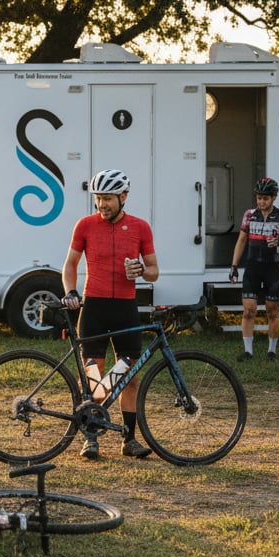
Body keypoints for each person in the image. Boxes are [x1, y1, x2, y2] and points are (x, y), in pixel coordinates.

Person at [60, 169, 157, 461]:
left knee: (130, 377)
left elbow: (154, 271)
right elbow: (70, 264)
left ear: (123, 197)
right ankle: (91, 438)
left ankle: (129, 440)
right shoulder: (85, 225)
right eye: (98, 198)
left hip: (125, 309)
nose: (102, 204)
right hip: (94, 308)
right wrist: (71, 291)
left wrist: (142, 270)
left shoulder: (140, 227)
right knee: (93, 376)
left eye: (108, 199)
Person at [229, 177, 279, 361]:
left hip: (272, 269)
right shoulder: (249, 215)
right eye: (259, 198)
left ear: (274, 198)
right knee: (248, 311)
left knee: (272, 311)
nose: (261, 202)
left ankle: (272, 351)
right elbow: (241, 241)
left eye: (265, 198)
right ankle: (248, 351)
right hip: (253, 268)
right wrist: (234, 266)